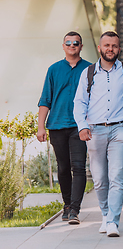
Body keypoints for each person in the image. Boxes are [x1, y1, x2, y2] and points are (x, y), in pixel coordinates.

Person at [73, 31, 123, 237]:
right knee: (99, 179)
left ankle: (113, 221)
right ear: (99, 48)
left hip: (121, 128)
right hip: (94, 130)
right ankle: (105, 214)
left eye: (114, 46)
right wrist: (82, 126)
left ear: (119, 49)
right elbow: (79, 102)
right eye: (106, 45)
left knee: (117, 177)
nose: (110, 49)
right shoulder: (87, 73)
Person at [37, 31, 91, 225]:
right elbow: (45, 100)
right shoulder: (53, 69)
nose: (72, 45)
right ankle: (67, 204)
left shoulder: (90, 69)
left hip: (80, 126)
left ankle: (75, 209)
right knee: (63, 168)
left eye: (76, 43)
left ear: (81, 46)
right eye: (68, 43)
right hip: (57, 125)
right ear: (63, 46)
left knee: (78, 167)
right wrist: (40, 126)